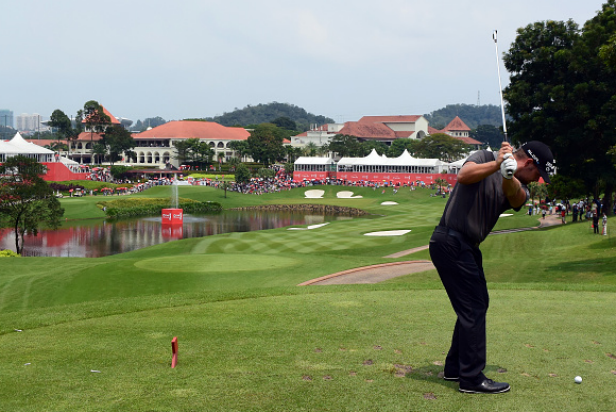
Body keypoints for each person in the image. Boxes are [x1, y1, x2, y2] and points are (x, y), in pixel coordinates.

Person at [429, 140, 554, 394]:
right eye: (537, 173)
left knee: (476, 304)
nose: (535, 180)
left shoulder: (520, 186)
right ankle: (471, 378)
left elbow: (515, 196)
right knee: (473, 307)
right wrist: (497, 163)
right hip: (449, 241)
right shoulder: (484, 155)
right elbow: (464, 176)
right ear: (529, 163)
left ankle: (455, 367)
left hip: (468, 248)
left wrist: (507, 173)